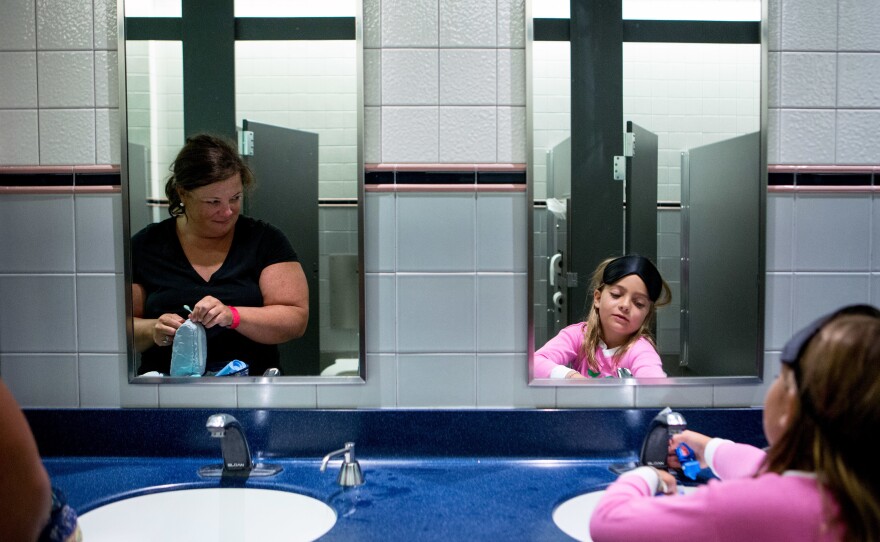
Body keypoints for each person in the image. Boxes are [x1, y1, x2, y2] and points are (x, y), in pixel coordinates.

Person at [590, 304, 880, 542]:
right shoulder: (859, 497)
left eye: (781, 379)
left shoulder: (744, 507)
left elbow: (608, 522)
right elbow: (771, 475)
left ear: (789, 406)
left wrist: (646, 476)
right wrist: (711, 449)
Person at [131, 134, 309, 376]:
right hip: (167, 396)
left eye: (235, 198)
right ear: (183, 194)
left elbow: (295, 319)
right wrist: (153, 329)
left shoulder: (265, 241)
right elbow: (119, 329)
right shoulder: (146, 245)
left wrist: (233, 316)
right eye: (213, 201)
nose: (227, 211)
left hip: (250, 391)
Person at [533, 254, 672, 379]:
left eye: (639, 303)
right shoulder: (578, 336)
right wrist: (571, 377)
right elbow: (535, 362)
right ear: (598, 298)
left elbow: (654, 384)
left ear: (647, 313)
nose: (625, 305)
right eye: (616, 295)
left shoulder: (640, 349)